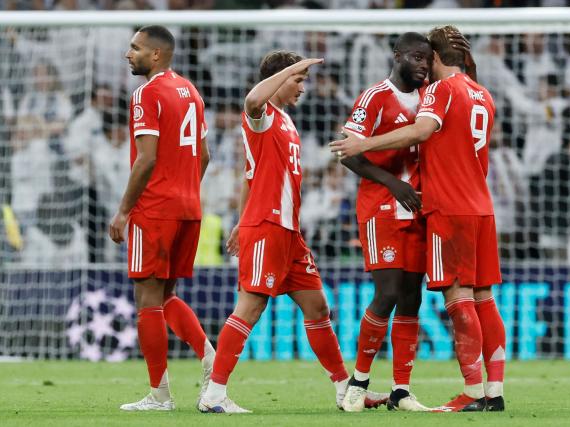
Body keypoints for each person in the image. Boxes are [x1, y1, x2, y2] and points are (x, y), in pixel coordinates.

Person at [197, 51, 387, 414]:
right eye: (297, 80)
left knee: (318, 307)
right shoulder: (263, 115)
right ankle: (214, 395)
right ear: (280, 79)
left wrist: (239, 219)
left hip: (288, 231)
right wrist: (249, 220)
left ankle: (343, 387)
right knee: (251, 307)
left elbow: (251, 176)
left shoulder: (285, 121)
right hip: (268, 227)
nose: (303, 87)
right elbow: (252, 99)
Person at [330, 26, 506, 412]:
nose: (423, 66)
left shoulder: (434, 94)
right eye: (416, 58)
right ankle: (358, 383)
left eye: (428, 58)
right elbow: (347, 150)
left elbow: (424, 129)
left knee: (415, 300)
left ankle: (402, 389)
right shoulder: (379, 96)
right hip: (388, 207)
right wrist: (393, 183)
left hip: (433, 209)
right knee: (393, 294)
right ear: (397, 56)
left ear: (437, 58)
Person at [108, 25, 215, 412]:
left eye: (135, 48)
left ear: (156, 55)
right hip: (189, 207)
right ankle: (208, 356)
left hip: (154, 210)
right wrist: (182, 189)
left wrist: (123, 210)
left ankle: (159, 395)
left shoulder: (146, 94)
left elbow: (146, 158)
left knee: (147, 298)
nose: (128, 54)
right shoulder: (191, 92)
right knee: (166, 294)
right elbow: (204, 156)